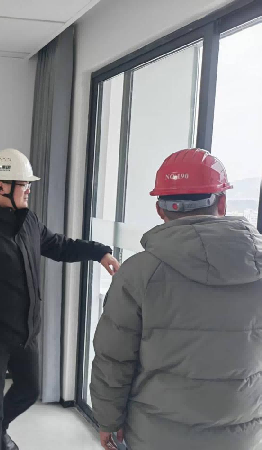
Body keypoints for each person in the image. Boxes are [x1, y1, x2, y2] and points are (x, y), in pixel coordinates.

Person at [90, 148, 262, 450]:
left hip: (155, 435)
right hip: (243, 435)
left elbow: (113, 358)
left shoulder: (138, 273)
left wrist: (108, 420)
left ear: (160, 210)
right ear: (222, 202)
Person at [0, 148, 119, 450]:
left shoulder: (28, 222)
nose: (28, 190)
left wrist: (99, 252)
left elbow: (60, 246)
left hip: (26, 332)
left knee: (29, 389)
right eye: (23, 184)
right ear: (1, 186)